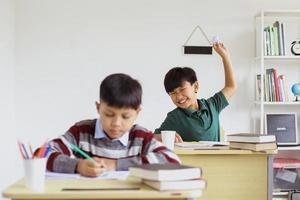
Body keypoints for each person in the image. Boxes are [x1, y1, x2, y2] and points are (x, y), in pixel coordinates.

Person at [46, 73, 181, 177]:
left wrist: (116, 164)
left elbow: (172, 160)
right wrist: (78, 165)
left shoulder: (140, 137)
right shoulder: (81, 132)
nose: (116, 123)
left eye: (125, 116)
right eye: (109, 114)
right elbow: (43, 154)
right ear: (98, 108)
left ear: (137, 112)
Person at [154, 42, 237, 142]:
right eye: (173, 93)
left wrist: (225, 57)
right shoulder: (175, 117)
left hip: (218, 157)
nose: (179, 96)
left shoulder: (212, 105)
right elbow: (150, 138)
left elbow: (231, 87)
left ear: (196, 86)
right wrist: (163, 137)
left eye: (182, 89)